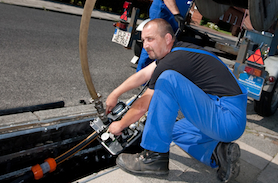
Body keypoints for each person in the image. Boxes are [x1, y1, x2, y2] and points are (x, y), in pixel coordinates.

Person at [106, 18, 247, 182]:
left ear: (167, 39)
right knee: (173, 130)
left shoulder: (173, 60)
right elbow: (144, 74)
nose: (145, 45)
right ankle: (218, 152)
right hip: (223, 115)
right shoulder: (177, 52)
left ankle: (153, 158)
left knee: (168, 80)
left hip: (227, 117)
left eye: (150, 39)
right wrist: (115, 93)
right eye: (143, 40)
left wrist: (120, 124)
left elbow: (145, 103)